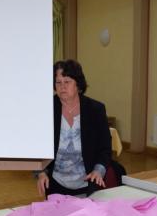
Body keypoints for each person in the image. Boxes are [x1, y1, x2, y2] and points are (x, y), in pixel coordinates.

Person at [36, 60, 112, 198]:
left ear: (78, 84)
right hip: (55, 185)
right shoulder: (45, 108)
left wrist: (98, 171)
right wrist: (40, 173)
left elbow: (105, 148)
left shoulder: (95, 109)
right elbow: (36, 146)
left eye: (67, 81)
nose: (62, 87)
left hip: (88, 184)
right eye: (58, 82)